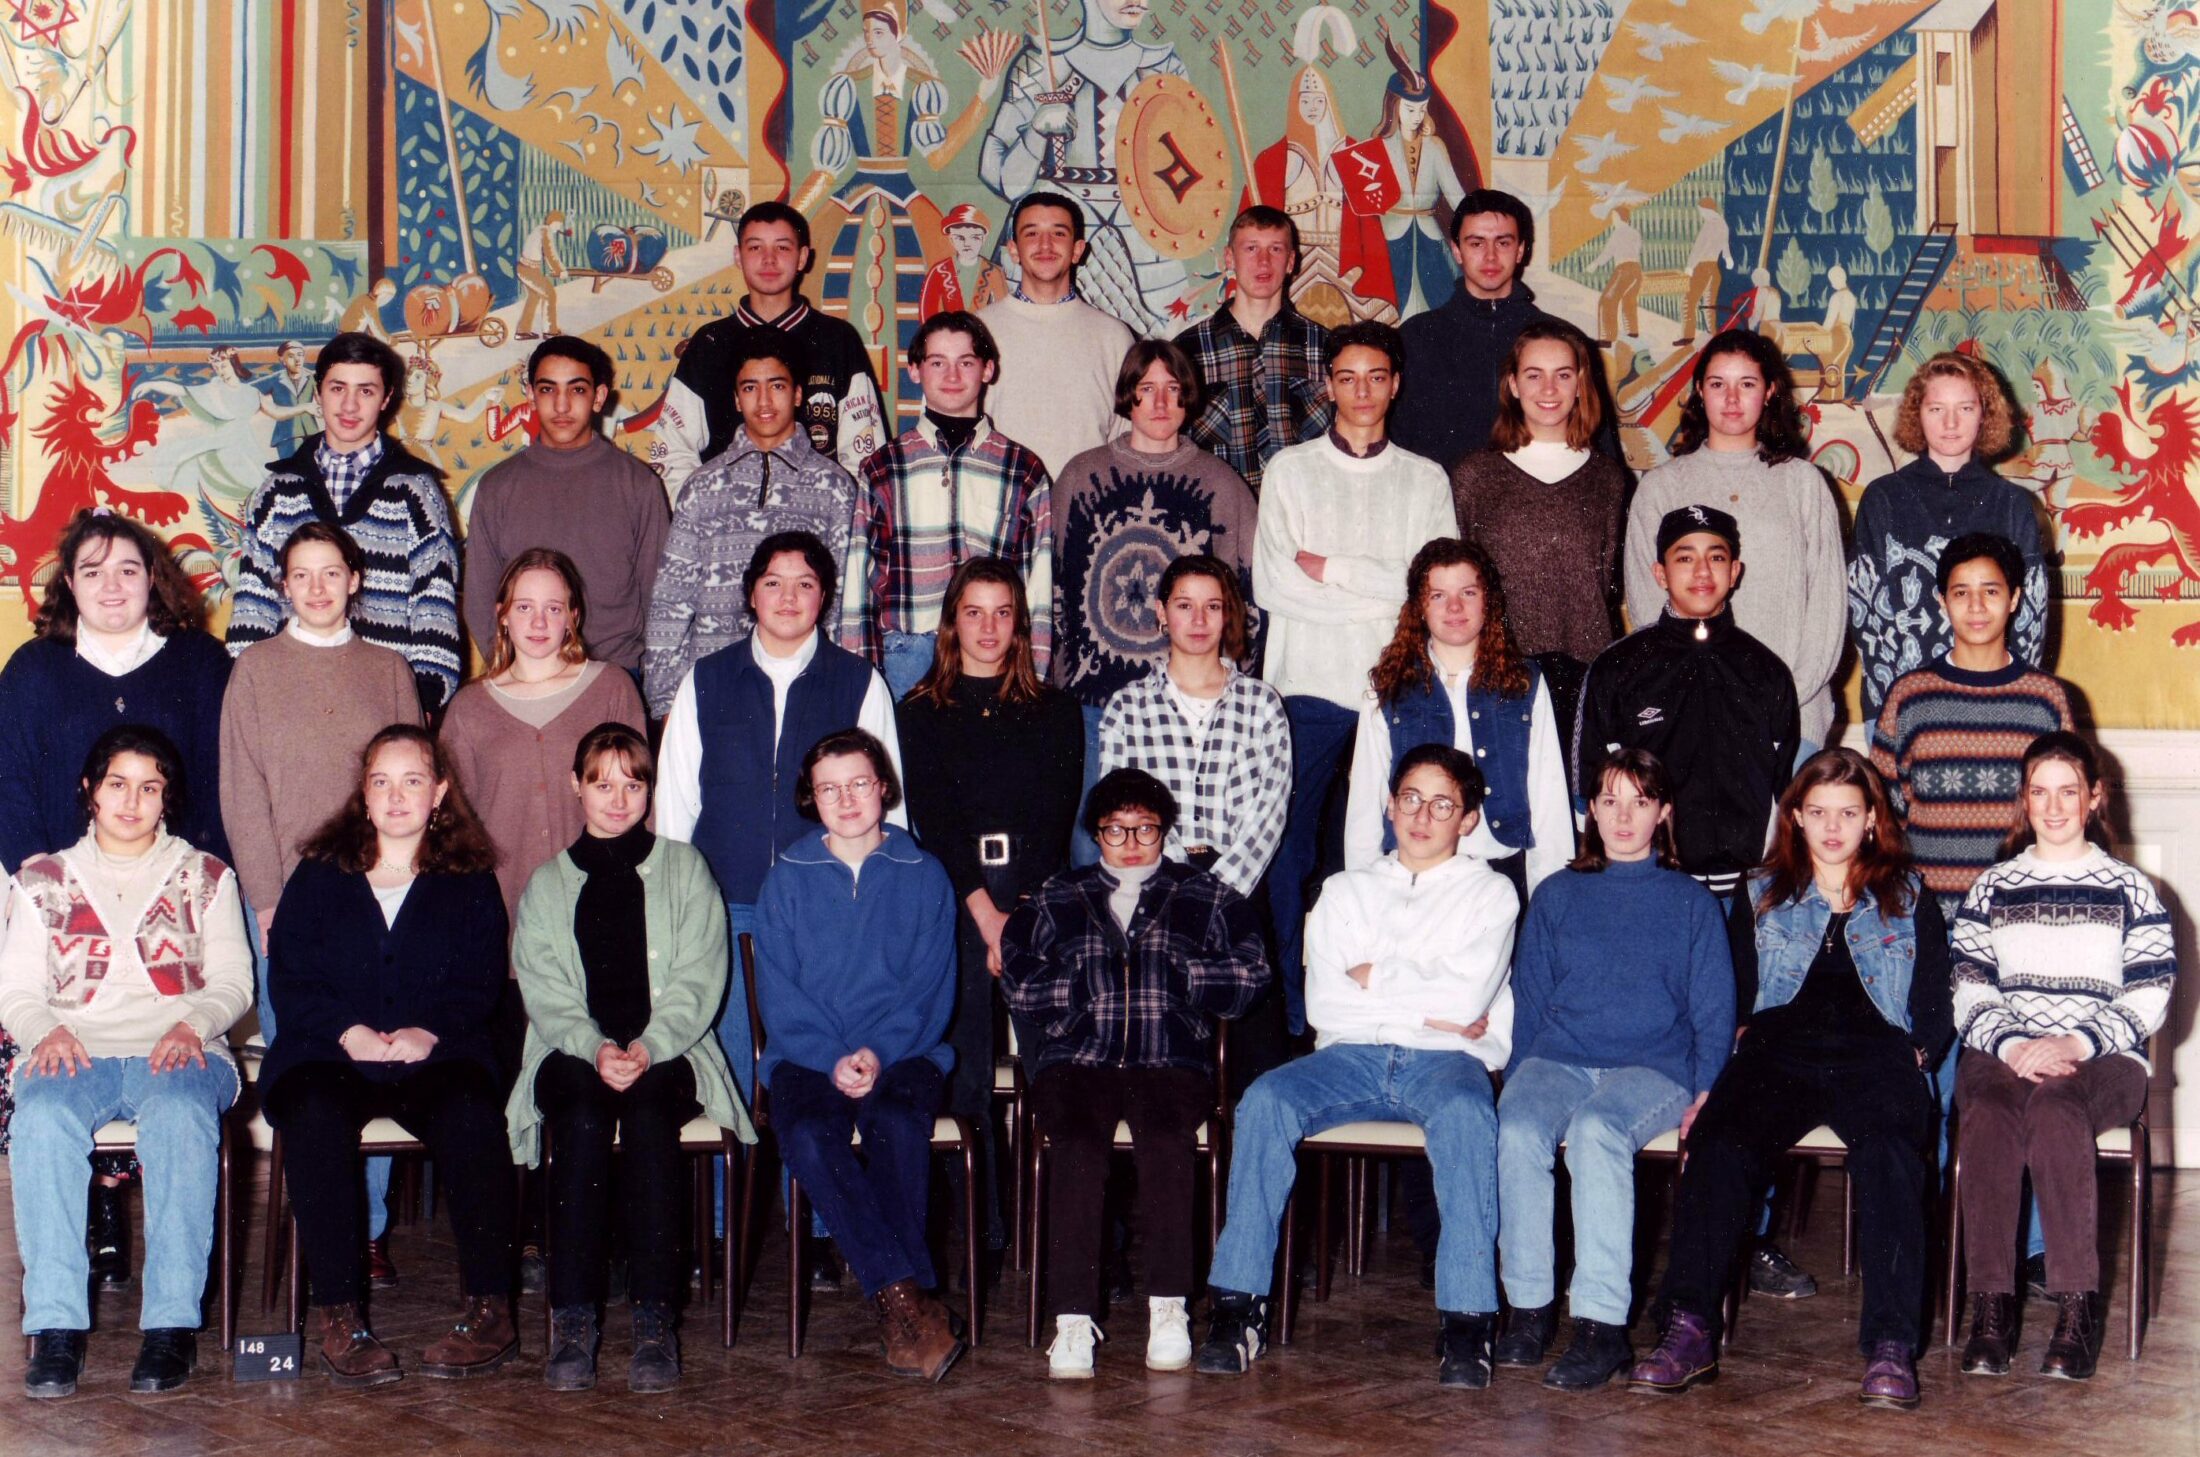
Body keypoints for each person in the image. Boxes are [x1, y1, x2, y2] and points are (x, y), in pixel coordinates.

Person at [1628, 750, 1950, 1409]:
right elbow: (1731, 995)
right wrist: (1726, 1063)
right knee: (1719, 1142)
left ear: (1871, 820)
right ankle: (1689, 1327)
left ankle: (1891, 1345)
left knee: (1893, 1153)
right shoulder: (1760, 893)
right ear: (1796, 817)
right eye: (1819, 812)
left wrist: (1920, 1052)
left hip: (1876, 1054)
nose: (1833, 827)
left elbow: (1936, 998)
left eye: (1848, 813)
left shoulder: (1910, 895)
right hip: (1779, 1053)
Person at [1195, 745, 1519, 1386]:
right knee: (1265, 1100)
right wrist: (1433, 1001)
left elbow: (1467, 1000)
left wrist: (1379, 977)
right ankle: (1237, 1309)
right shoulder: (1344, 891)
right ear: (1390, 805)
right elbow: (1327, 1003)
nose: (1422, 816)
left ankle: (1467, 1323)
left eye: (1443, 805)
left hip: (1448, 1061)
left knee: (1466, 1118)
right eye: (1411, 799)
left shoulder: (1492, 894)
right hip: (1350, 1055)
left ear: (1468, 819)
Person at [0, 510, 232, 1292]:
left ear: (153, 578)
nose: (111, 585)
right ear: (68, 584)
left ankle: (127, 1204)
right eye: (92, 570)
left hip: (173, 891)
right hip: (57, 895)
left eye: (128, 569)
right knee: (57, 1050)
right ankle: (91, 1206)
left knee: (167, 1060)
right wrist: (45, 889)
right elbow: (10, 785)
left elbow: (218, 781)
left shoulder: (197, 662)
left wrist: (190, 884)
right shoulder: (35, 668)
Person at [259, 727, 517, 1387]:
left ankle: (490, 1310)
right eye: (381, 781)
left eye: (412, 781)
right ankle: (340, 1318)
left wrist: (431, 1030)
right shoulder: (320, 872)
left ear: (440, 793)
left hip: (435, 1052)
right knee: (313, 1111)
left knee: (471, 1111)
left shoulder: (469, 878)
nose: (396, 796)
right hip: (331, 1052)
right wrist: (347, 1031)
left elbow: (482, 979)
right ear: (364, 794)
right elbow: (291, 975)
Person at [5, 727, 252, 1399]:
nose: (132, 801)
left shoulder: (207, 876)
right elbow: (15, 990)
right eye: (118, 783)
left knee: (178, 1112)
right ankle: (55, 1327)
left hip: (179, 1045)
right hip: (74, 1046)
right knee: (41, 1118)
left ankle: (171, 1326)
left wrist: (194, 1023)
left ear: (168, 798)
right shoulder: (42, 879)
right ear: (89, 789)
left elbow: (235, 981)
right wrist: (45, 1032)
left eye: (150, 787)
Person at [999, 768, 1269, 1377]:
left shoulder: (1207, 895)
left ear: (1164, 831)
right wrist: (1081, 987)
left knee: (1167, 1141)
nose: (1130, 843)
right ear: (1096, 833)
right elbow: (1018, 981)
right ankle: (1072, 1321)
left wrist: (1185, 975)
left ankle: (1169, 1307)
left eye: (1144, 829)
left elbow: (1252, 976)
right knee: (1075, 1145)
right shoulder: (1057, 896)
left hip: (1169, 1060)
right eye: (1114, 830)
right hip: (1079, 1062)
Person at [507, 724, 751, 1394]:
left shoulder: (686, 868)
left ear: (650, 790)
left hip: (670, 1048)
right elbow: (545, 990)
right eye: (602, 783)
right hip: (571, 1049)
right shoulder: (547, 884)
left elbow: (700, 978)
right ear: (576, 787)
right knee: (582, 1117)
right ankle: (573, 1319)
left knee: (648, 1118)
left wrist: (648, 1046)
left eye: (633, 784)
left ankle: (653, 1319)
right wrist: (595, 1047)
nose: (618, 800)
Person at [1493, 748, 1733, 1392]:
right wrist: (1517, 1079)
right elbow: (1530, 1000)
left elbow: (1714, 1012)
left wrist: (1707, 1091)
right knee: (1517, 1125)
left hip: (1653, 1067)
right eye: (1610, 801)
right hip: (1560, 1057)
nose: (1624, 817)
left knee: (1597, 1131)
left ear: (1664, 813)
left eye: (1640, 802)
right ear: (1591, 812)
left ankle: (1601, 1328)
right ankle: (1529, 1308)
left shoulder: (1692, 903)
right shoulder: (1557, 894)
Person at [220, 521, 420, 1287]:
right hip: (285, 903)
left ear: (355, 579)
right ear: (282, 585)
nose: (316, 588)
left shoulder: (388, 668)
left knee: (372, 1054)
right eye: (300, 574)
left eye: (330, 572)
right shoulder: (255, 671)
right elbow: (242, 791)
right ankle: (316, 1222)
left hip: (376, 899)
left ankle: (365, 1230)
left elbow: (411, 782)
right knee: (306, 1065)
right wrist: (267, 900)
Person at [1951, 732, 2176, 1381]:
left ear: (2094, 797)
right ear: (2023, 800)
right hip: (2006, 1050)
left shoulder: (2131, 889)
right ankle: (1992, 1306)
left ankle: (2077, 1308)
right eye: (2039, 792)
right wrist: (2015, 1043)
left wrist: (2076, 1042)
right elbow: (1969, 986)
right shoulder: (1993, 886)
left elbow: (2150, 992)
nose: (2053, 807)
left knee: (2055, 1108)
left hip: (2104, 1057)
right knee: (1990, 1111)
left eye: (2068, 791)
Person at [1254, 320, 1455, 1035]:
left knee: (1389, 850)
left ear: (1395, 385)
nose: (1362, 391)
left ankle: (1380, 1011)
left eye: (1375, 377)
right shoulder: (1290, 471)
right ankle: (1291, 1017)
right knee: (1288, 855)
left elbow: (1432, 590)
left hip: (1393, 689)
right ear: (1328, 385)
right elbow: (1274, 585)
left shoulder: (1424, 479)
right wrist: (1388, 587)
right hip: (1305, 686)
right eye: (1347, 377)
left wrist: (1333, 568)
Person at [657, 530, 901, 1099]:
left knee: (815, 1073)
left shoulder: (859, 683)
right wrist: (678, 904)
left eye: (805, 584)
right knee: (730, 1073)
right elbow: (675, 805)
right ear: (751, 594)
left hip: (826, 908)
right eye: (773, 583)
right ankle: (735, 1164)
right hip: (725, 905)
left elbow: (889, 809)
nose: (788, 598)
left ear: (824, 597)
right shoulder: (706, 680)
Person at [753, 728, 964, 1382]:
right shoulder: (786, 877)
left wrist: (877, 1050)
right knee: (808, 1134)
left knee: (896, 1123)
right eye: (829, 789)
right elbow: (778, 993)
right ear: (811, 799)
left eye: (858, 784)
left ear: (883, 787)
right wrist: (832, 1056)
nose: (846, 800)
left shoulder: (924, 873)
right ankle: (906, 1300)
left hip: (904, 1051)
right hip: (807, 1055)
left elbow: (931, 988)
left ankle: (899, 1305)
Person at [895, 559, 1083, 1250]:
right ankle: (983, 1237)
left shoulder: (1056, 711)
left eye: (1002, 612)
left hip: (1037, 902)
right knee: (966, 1076)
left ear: (1020, 623)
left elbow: (1055, 817)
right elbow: (937, 821)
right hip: (957, 900)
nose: (988, 627)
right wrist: (986, 915)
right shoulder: (919, 711)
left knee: (1058, 1072)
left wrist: (1020, 917)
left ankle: (1067, 1235)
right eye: (973, 612)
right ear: (952, 621)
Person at [1053, 340, 1259, 860]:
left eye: (1173, 389)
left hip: (1185, 703)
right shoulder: (1081, 475)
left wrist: (1232, 678)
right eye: (1147, 389)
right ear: (1128, 396)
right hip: (1093, 698)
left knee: (1174, 846)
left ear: (1189, 398)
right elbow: (1051, 582)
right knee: (1091, 841)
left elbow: (1246, 598)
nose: (1161, 403)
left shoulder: (1221, 485)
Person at [1623, 329, 1844, 755]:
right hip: (1693, 717)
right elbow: (1648, 607)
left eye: (1747, 384)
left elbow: (1827, 607)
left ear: (1770, 391)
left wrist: (1783, 697)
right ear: (1698, 390)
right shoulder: (1660, 487)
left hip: (1792, 717)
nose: (1731, 399)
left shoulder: (1803, 483)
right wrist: (1701, 698)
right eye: (1717, 384)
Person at [224, 332, 462, 714]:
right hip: (290, 701)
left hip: (385, 703)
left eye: (366, 391)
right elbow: (253, 606)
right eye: (338, 388)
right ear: (319, 393)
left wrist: (425, 700)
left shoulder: (415, 492)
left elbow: (434, 605)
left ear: (387, 398)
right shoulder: (277, 492)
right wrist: (249, 691)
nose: (350, 405)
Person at [1581, 507, 1800, 903]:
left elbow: (1788, 791)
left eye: (1716, 557)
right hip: (1653, 887)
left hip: (1747, 891)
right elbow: (1588, 787)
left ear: (1734, 572)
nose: (1702, 572)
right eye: (1685, 558)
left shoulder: (1766, 670)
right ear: (1660, 573)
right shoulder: (1618, 668)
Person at [643, 334, 864, 717]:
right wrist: (665, 704)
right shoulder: (703, 487)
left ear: (798, 394)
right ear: (735, 398)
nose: (763, 402)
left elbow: (845, 601)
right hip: (713, 689)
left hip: (805, 690)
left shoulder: (835, 488)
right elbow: (671, 601)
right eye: (750, 388)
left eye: (776, 386)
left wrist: (840, 691)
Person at [1345, 538, 1573, 899]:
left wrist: (1551, 902)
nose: (1454, 607)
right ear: (1419, 606)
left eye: (1468, 592)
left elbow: (1549, 798)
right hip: (1411, 875)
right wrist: (1361, 896)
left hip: (1501, 872)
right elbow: (1364, 805)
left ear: (1488, 601)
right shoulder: (1387, 685)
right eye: (1438, 595)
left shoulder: (1524, 682)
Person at [844, 311, 1056, 697]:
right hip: (907, 658)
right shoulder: (883, 468)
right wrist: (860, 683)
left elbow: (1038, 588)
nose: (953, 375)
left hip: (995, 658)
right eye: (938, 362)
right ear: (915, 370)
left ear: (988, 369)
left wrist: (1035, 679)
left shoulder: (1022, 470)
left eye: (966, 362)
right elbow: (860, 582)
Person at [441, 551, 650, 929]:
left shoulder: (612, 687)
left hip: (604, 901)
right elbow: (452, 826)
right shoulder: (468, 708)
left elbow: (643, 804)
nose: (539, 622)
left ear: (573, 618)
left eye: (554, 609)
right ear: (502, 615)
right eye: (524, 607)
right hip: (505, 908)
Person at [1871, 532, 2076, 914]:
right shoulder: (1910, 697)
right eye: (1961, 592)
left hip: (2021, 912)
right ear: (1942, 601)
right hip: (1928, 916)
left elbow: (2069, 811)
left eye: (1991, 591)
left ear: (2014, 598)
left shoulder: (2045, 700)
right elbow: (1885, 816)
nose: (1976, 606)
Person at [1849, 351, 2051, 723]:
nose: (1951, 423)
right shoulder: (1883, 499)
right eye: (1936, 409)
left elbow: (2029, 624)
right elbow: (1867, 617)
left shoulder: (2012, 504)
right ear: (1917, 414)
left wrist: (2013, 703)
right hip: (1901, 708)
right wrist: (1896, 710)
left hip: (1996, 709)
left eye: (1966, 408)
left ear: (1984, 414)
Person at [976, 0, 1196, 334]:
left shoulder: (1165, 68)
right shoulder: (1040, 64)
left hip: (1145, 245)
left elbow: (1192, 171)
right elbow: (1001, 177)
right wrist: (1037, 131)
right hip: (1058, 239)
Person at [463, 337, 670, 682]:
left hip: (616, 674)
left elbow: (661, 597)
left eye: (576, 390)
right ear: (530, 395)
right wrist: (511, 672)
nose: (561, 405)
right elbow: (480, 598)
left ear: (598, 397)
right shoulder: (497, 487)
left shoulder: (638, 484)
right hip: (525, 676)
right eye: (547, 390)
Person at [655, 201, 886, 498]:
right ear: (738, 256)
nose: (768, 259)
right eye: (755, 248)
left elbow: (865, 456)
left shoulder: (837, 340)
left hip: (816, 515)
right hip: (725, 516)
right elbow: (673, 451)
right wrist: (709, 509)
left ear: (802, 257)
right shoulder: (709, 343)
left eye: (782, 247)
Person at [1098, 555, 1292, 900]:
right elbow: (1122, 811)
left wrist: (1217, 894)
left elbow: (1269, 816)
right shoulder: (1127, 708)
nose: (1199, 620)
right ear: (1161, 612)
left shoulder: (1262, 704)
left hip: (1240, 891)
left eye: (1212, 606)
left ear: (1226, 613)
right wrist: (1178, 887)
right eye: (1185, 605)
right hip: (1154, 887)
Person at [1394, 190, 1619, 471]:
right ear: (1457, 250)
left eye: (1503, 243)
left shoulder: (1563, 340)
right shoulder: (1416, 338)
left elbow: (1600, 452)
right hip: (1442, 496)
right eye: (1476, 243)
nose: (1490, 256)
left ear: (1520, 250)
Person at [1449, 320, 1629, 668]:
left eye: (1563, 375)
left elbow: (1607, 584)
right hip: (1498, 671)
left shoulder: (1607, 478)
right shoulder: (1474, 475)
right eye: (1534, 375)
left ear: (1580, 384)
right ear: (1513, 385)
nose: (1549, 388)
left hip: (1585, 669)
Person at [977, 191, 1138, 481]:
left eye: (1058, 233)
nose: (1045, 245)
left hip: (1088, 501)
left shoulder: (1113, 337)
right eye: (1031, 233)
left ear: (1077, 250)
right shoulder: (978, 331)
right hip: (999, 500)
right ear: (1013, 249)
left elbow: (1127, 439)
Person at [1175, 206, 1333, 496]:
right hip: (1219, 510)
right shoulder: (1187, 350)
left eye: (1275, 249)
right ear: (1229, 258)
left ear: (1291, 261)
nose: (1263, 261)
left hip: (1306, 511)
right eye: (1251, 248)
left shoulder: (1325, 346)